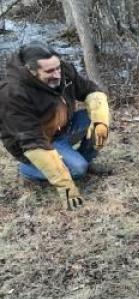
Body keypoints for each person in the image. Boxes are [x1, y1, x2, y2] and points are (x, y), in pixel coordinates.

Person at [0, 41, 110, 210]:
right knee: (78, 170)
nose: (58, 74)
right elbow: (32, 142)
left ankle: (84, 161)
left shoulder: (62, 69)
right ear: (31, 70)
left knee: (95, 118)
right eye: (50, 71)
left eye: (58, 68)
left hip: (62, 130)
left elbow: (90, 90)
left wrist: (101, 120)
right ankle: (29, 170)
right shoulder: (12, 93)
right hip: (36, 144)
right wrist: (64, 184)